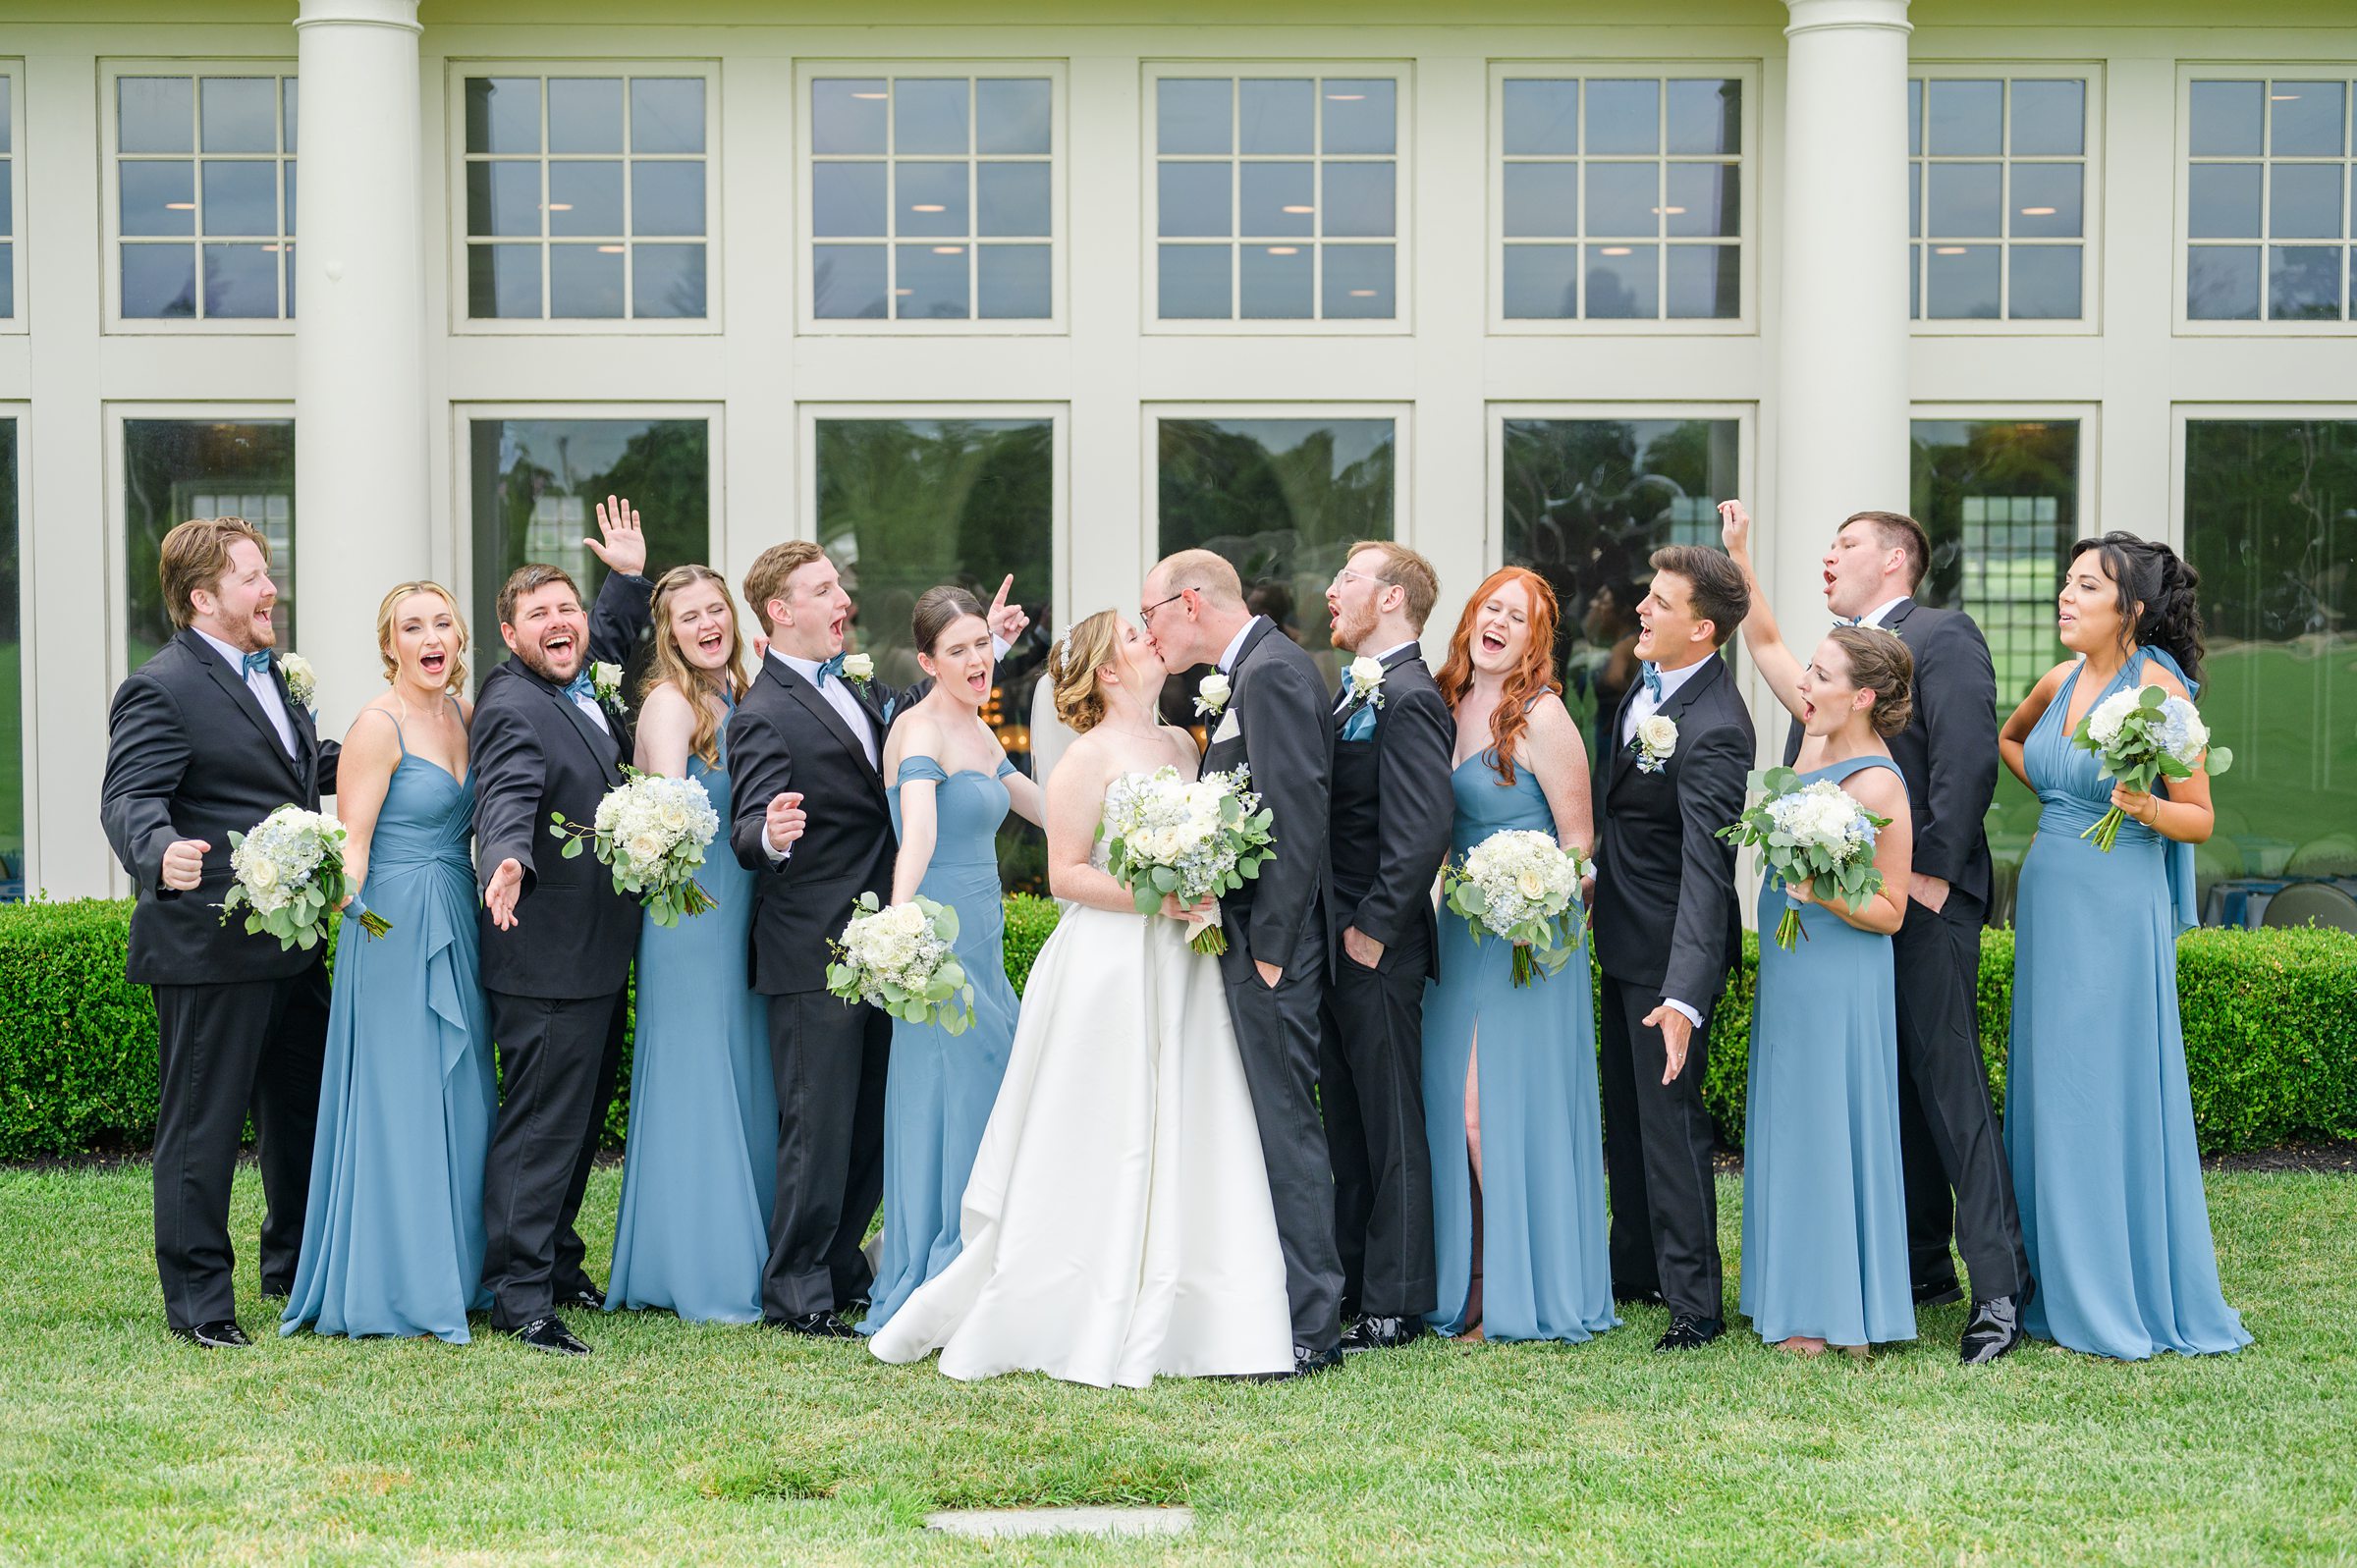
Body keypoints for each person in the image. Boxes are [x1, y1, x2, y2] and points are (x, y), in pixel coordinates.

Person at [867, 611, 1292, 1385]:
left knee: (1191, 1114)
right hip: (1110, 963)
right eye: (1134, 636)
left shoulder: (1185, 745)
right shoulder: (1083, 760)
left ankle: (1203, 1301)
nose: (1150, 639)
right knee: (1107, 1123)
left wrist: (1200, 881)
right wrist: (1154, 897)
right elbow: (1066, 874)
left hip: (1186, 960)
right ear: (1106, 669)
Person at [1722, 500, 2031, 1364]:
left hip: (1918, 900)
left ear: (1897, 558)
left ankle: (2001, 1290)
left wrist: (1927, 878)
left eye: (1846, 543)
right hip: (1833, 930)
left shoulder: (1943, 633)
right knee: (1881, 1089)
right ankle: (1918, 1263)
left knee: (1949, 1086)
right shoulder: (1827, 675)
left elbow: (1967, 757)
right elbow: (1769, 643)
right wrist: (1741, 557)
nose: (1829, 556)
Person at [725, 548, 1027, 1338]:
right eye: (823, 589)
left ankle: (843, 1265)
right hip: (813, 948)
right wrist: (772, 833)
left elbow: (926, 708)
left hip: (889, 944)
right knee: (816, 1125)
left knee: (870, 1126)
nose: (842, 598)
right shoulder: (760, 711)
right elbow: (748, 825)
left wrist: (976, 639)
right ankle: (795, 1288)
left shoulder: (857, 683)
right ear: (780, 611)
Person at [1998, 532, 2249, 1361]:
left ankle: (2111, 1287)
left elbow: (2200, 817)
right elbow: (2014, 741)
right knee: (2050, 1083)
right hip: (2051, 895)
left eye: (2085, 587)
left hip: (2114, 902)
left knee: (2099, 1087)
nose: (2066, 597)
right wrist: (2069, 793)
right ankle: (2053, 1280)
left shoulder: (2160, 694)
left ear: (2131, 609)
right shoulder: (2058, 681)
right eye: (2066, 584)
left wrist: (2139, 809)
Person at [100, 516, 340, 1348]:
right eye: (251, 577)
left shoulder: (275, 673)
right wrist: (159, 851)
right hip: (209, 943)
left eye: (266, 572)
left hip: (294, 946)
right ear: (204, 597)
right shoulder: (160, 686)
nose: (270, 588)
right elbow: (130, 795)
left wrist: (403, 745)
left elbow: (299, 768)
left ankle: (293, 1265)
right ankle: (201, 1301)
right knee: (202, 1126)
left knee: (301, 1116)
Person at [1139, 549, 1345, 1378]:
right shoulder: (1249, 670)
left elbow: (1299, 819)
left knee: (1290, 1128)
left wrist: (1270, 953)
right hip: (1256, 947)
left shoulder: (1270, 674)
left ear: (1190, 603)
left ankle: (1312, 1324)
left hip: (1274, 954)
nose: (1148, 629)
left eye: (1150, 612)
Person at [1712, 553, 1919, 1357]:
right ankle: (1787, 1292)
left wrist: (1814, 887)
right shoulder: (1811, 738)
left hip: (1840, 972)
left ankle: (1837, 1312)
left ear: (1861, 695)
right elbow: (1762, 636)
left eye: (1822, 673)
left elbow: (1891, 909)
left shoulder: (1877, 786)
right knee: (1793, 1120)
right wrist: (1742, 559)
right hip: (1793, 969)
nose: (1806, 680)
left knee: (1830, 1125)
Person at [280, 583, 492, 1343]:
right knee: (401, 1097)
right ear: (390, 645)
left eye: (442, 623)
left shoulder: (465, 713)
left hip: (457, 910)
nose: (431, 636)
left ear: (459, 640)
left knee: (462, 1094)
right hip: (393, 924)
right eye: (413, 626)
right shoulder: (378, 724)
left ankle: (459, 1272)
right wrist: (354, 916)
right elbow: (354, 845)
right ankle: (394, 1280)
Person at [472, 499, 654, 1357]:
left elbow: (608, 647)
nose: (562, 623)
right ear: (509, 636)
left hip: (594, 953)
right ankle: (519, 1295)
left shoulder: (576, 679)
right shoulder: (513, 706)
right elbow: (506, 793)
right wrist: (507, 858)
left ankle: (557, 1258)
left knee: (579, 1124)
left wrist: (622, 581)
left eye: (568, 609)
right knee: (543, 1126)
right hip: (543, 955)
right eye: (538, 614)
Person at [1422, 568, 1617, 1345]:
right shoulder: (1439, 703)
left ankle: (1514, 1287)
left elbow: (1580, 845)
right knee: (1448, 1105)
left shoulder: (1541, 717)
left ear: (1535, 639)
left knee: (1488, 1114)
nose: (1499, 622)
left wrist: (1537, 905)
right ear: (1472, 619)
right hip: (1455, 937)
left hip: (1527, 947)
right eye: (1491, 608)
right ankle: (1464, 1284)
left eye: (1519, 616)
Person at [860, 586, 1045, 1336]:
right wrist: (899, 927)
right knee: (955, 1095)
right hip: (938, 941)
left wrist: (1115, 831)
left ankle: (987, 1258)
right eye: (958, 649)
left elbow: (1031, 800)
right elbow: (921, 835)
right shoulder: (920, 731)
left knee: (991, 1089)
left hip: (984, 937)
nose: (976, 661)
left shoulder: (977, 726)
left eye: (982, 645)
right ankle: (940, 1270)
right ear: (929, 661)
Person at [605, 567, 781, 1324]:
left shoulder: (739, 691)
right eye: (689, 616)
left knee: (743, 1069)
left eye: (716, 610)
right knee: (697, 1073)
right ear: (667, 632)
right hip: (690, 913)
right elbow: (664, 817)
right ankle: (699, 1264)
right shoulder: (672, 703)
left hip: (740, 907)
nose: (708, 624)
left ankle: (755, 1245)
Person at [1590, 545, 1754, 1351]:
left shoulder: (1719, 726)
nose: (1641, 611)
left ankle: (1695, 1303)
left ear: (1704, 629)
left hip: (1667, 958)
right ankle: (1638, 1266)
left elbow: (1705, 868)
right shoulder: (1645, 685)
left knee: (1671, 1125)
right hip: (1620, 938)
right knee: (1625, 1117)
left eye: (1660, 602)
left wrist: (1685, 993)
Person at [1319, 542, 1454, 1354]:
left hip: (1380, 947)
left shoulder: (1408, 696)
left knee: (1392, 1123)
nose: (1332, 589)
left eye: (1348, 578)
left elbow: (1422, 830)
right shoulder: (1354, 693)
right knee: (1350, 1124)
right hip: (1340, 947)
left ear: (1394, 599)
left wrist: (1372, 927)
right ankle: (1356, 1282)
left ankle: (1397, 1303)